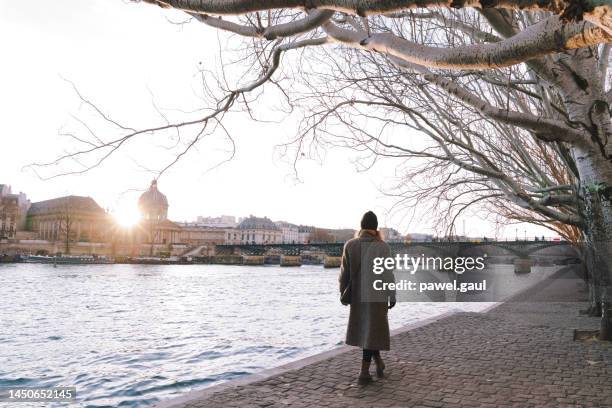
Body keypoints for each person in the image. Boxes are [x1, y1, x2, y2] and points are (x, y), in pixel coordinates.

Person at [339, 211, 396, 384]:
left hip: (357, 295)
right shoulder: (383, 247)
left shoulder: (350, 245)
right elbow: (388, 274)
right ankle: (363, 373)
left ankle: (378, 363)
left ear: (362, 226)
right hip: (377, 295)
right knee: (373, 330)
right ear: (376, 227)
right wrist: (391, 295)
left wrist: (343, 293)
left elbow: (344, 274)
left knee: (367, 330)